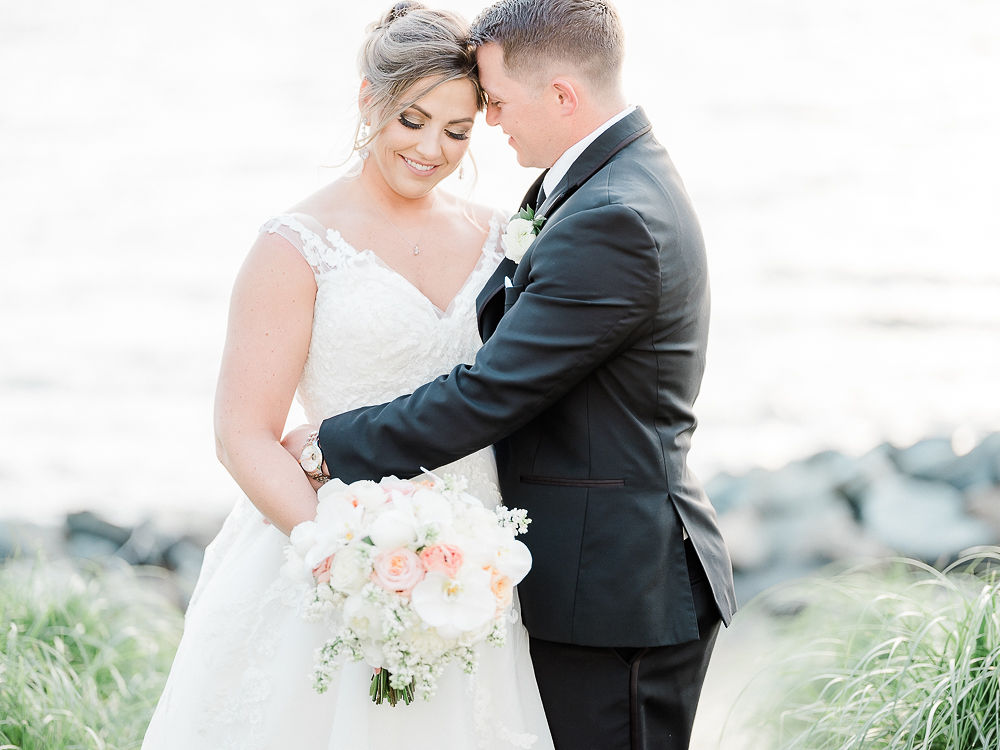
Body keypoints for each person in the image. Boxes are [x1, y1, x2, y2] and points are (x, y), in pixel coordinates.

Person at [282, 1, 739, 748]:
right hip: (590, 578)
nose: (489, 123)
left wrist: (328, 444)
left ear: (562, 95)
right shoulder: (614, 178)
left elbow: (490, 394)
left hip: (618, 595)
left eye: (492, 104)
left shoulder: (612, 215)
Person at [142, 4, 554, 749]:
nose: (432, 148)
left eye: (458, 132)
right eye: (412, 119)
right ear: (369, 99)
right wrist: (339, 556)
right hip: (333, 550)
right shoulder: (296, 246)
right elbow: (243, 434)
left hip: (477, 563)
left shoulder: (502, 236)